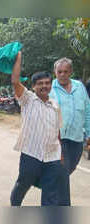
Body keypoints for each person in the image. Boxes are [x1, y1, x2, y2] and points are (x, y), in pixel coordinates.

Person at [9, 52, 62, 206]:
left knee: (50, 192)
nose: (44, 86)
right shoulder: (28, 99)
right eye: (40, 83)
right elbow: (15, 81)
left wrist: (61, 153)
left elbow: (57, 130)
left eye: (47, 83)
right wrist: (19, 57)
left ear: (51, 85)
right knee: (23, 185)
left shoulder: (55, 106)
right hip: (31, 153)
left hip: (52, 156)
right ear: (33, 86)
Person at [49, 57, 90, 206]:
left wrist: (89, 133)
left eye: (66, 71)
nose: (62, 75)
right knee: (63, 174)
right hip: (57, 140)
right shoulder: (49, 87)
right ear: (55, 72)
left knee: (66, 172)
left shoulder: (79, 87)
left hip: (77, 138)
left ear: (71, 72)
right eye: (59, 72)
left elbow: (87, 111)